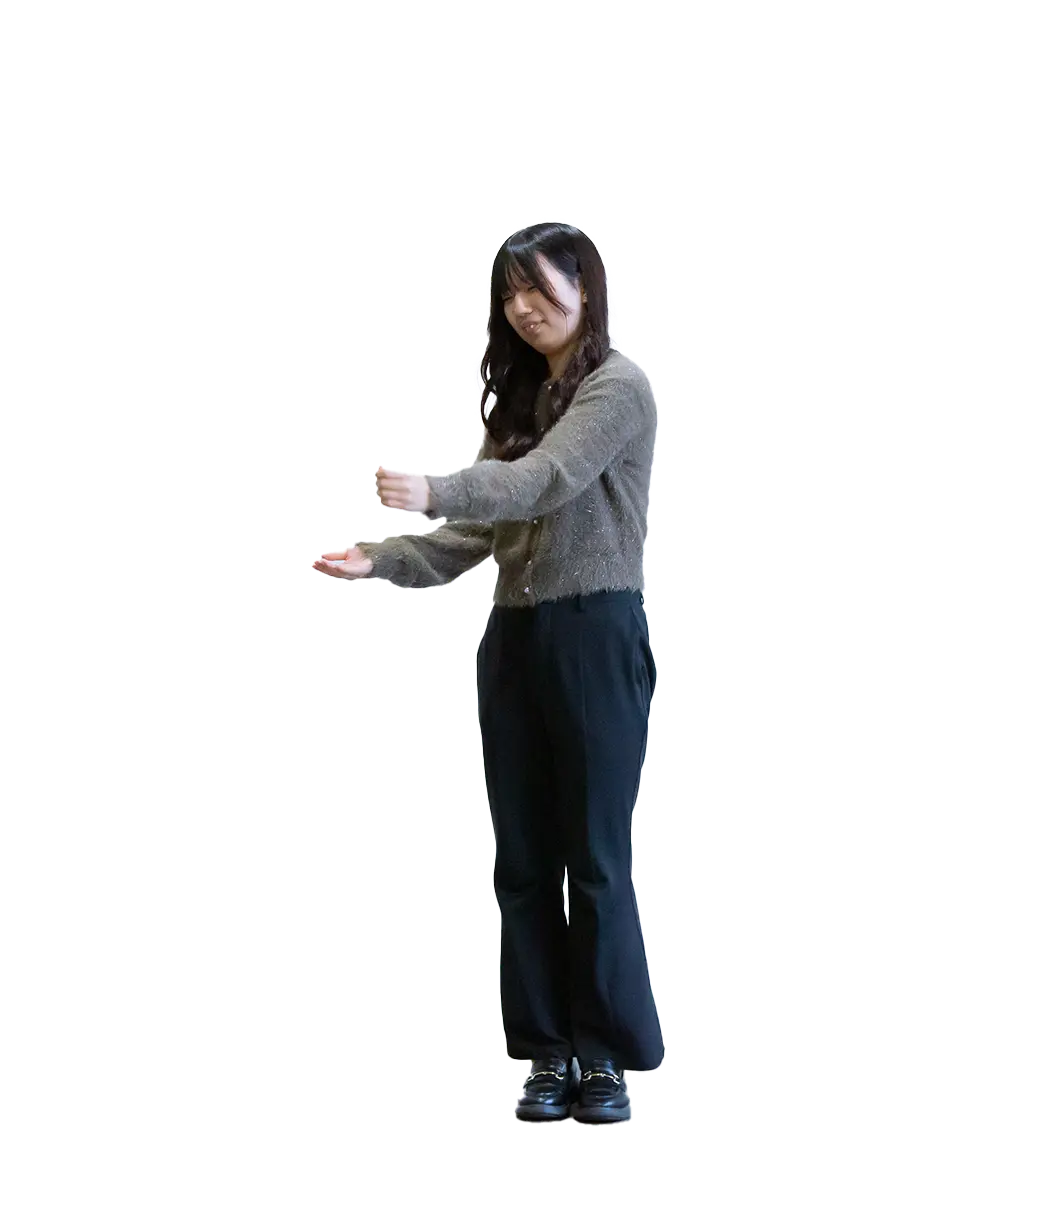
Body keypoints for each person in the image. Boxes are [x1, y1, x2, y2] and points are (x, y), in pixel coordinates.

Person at [313, 222, 661, 1124]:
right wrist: (383, 558)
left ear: (584, 287)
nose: (523, 307)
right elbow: (481, 533)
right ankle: (546, 1055)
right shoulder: (520, 400)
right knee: (524, 859)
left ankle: (606, 1059)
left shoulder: (619, 387)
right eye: (509, 293)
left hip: (593, 635)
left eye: (539, 287)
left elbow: (548, 479)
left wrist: (435, 487)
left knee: (594, 855)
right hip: (516, 639)